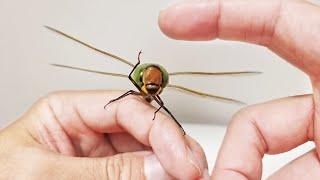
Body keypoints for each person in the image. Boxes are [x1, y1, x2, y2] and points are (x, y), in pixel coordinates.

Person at [0, 0, 319, 179]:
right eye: (146, 86)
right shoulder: (138, 85)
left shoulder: (154, 89)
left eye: (153, 87)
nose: (150, 92)